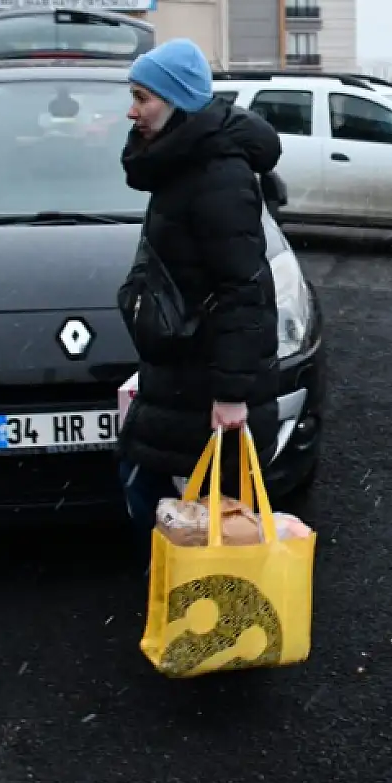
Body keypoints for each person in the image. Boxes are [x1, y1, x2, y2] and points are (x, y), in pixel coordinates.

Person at [114, 39, 284, 533]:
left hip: (206, 378)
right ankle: (183, 592)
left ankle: (191, 595)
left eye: (143, 97)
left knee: (170, 500)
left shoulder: (217, 174)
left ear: (178, 101)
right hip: (182, 370)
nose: (132, 110)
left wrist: (232, 395)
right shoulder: (183, 162)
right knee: (165, 496)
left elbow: (242, 290)